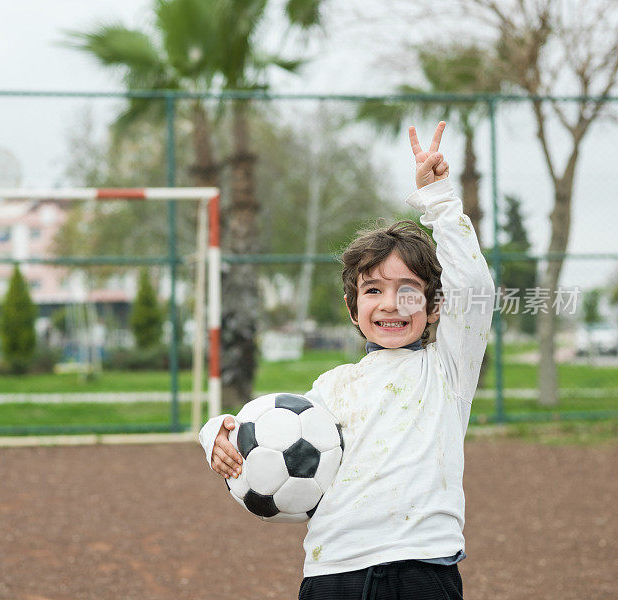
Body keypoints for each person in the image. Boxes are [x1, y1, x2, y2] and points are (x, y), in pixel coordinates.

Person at [199, 122, 495, 599]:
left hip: (421, 570)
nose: (391, 304)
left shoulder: (447, 370)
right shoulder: (332, 388)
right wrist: (216, 434)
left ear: (435, 305)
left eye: (408, 291)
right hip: (332, 572)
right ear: (352, 309)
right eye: (373, 290)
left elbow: (476, 292)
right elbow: (259, 431)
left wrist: (439, 198)